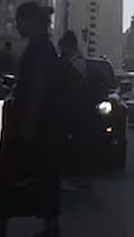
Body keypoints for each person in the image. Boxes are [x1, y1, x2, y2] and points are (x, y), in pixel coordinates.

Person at [0, 2, 63, 237]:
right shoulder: (43, 47)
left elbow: (39, 86)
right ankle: (48, 226)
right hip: (39, 125)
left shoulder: (40, 49)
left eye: (20, 20)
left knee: (8, 172)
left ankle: (2, 226)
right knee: (42, 174)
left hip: (32, 124)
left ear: (33, 21)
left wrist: (28, 124)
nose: (17, 26)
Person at [58, 30, 96, 182]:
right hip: (70, 108)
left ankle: (80, 174)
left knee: (78, 141)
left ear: (69, 47)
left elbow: (74, 83)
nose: (62, 52)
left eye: (63, 49)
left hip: (77, 109)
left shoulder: (78, 63)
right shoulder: (71, 62)